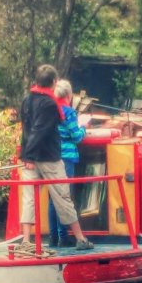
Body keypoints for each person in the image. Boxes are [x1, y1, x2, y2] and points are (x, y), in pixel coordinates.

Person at [18, 65, 94, 252]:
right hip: (49, 157)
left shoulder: (27, 100)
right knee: (62, 196)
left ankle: (26, 241)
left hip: (29, 158)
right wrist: (30, 155)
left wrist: (26, 156)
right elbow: (40, 131)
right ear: (53, 82)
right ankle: (80, 239)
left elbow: (26, 130)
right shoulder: (50, 104)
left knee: (29, 197)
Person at [48, 79, 86, 247]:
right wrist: (84, 126)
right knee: (64, 197)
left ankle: (53, 237)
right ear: (69, 95)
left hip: (52, 157)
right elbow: (77, 136)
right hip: (66, 159)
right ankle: (64, 237)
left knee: (52, 198)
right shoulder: (69, 112)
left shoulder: (49, 111)